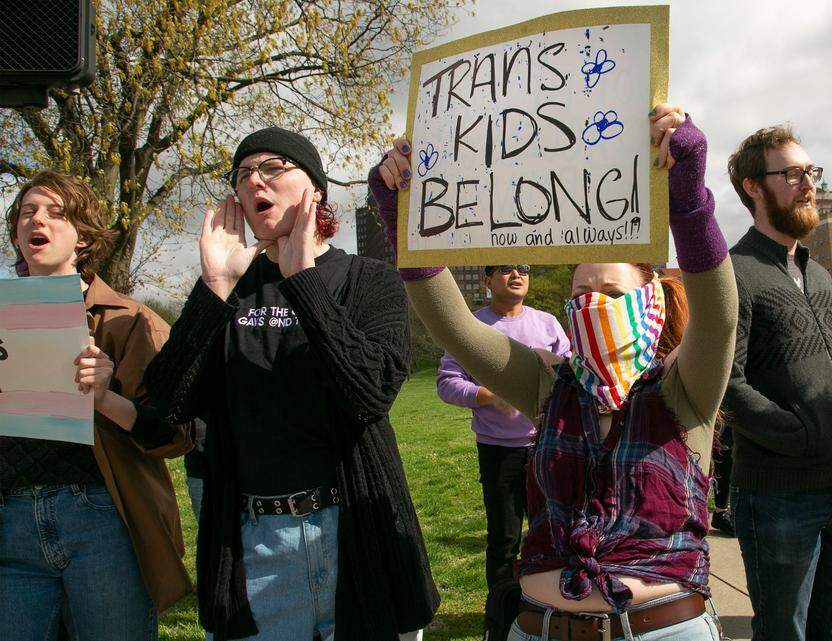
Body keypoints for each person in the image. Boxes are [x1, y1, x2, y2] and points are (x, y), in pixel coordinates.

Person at [371, 104, 736, 640]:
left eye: (611, 296)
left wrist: (688, 201)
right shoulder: (550, 385)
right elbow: (456, 329)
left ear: (649, 304)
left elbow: (720, 316)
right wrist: (405, 222)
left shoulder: (684, 392)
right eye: (580, 295)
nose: (592, 307)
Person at [141, 128, 437, 641]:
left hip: (354, 537)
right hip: (256, 548)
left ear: (315, 189)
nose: (254, 178)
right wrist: (214, 287)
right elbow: (166, 405)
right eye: (243, 173)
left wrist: (302, 280)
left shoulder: (368, 279)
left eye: (274, 167)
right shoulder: (228, 289)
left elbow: (368, 394)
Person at [1, 170, 193, 640]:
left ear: (83, 237)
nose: (36, 220)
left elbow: (175, 435)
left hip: (101, 520)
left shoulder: (130, 320)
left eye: (53, 212)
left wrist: (103, 397)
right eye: (26, 212)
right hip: (11, 522)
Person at [721, 125, 832, 641]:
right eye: (791, 173)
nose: (807, 182)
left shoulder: (816, 273)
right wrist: (799, 436)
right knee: (783, 632)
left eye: (811, 171)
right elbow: (725, 380)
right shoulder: (733, 273)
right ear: (753, 186)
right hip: (779, 493)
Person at [435, 263, 570, 590]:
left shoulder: (547, 323)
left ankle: (547, 607)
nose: (517, 274)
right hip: (499, 453)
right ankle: (500, 616)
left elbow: (571, 372)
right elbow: (446, 383)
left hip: (548, 448)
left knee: (554, 534)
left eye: (523, 268)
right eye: (506, 269)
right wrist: (487, 396)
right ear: (488, 281)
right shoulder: (471, 327)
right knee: (505, 538)